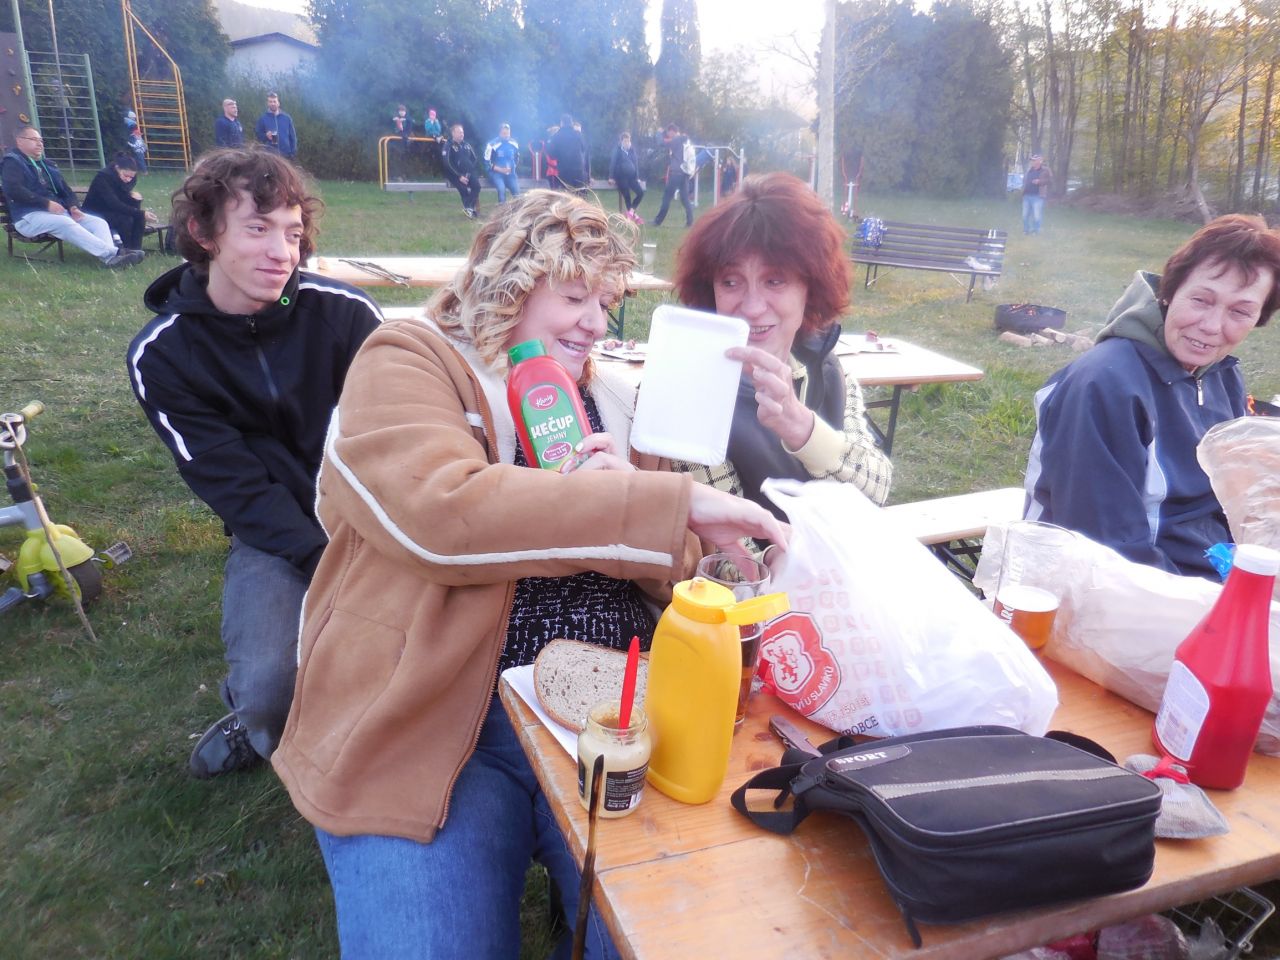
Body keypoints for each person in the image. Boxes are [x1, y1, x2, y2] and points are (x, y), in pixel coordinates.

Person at [270, 188, 785, 958]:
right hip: (441, 719)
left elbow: (673, 564)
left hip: (617, 711)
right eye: (574, 297)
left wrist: (656, 514)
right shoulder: (409, 360)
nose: (595, 323)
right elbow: (441, 516)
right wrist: (634, 507)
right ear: (506, 286)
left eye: (605, 302)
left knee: (674, 938)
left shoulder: (613, 397)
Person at [126, 148, 382, 779]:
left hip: (378, 518)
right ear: (203, 232)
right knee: (270, 689)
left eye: (292, 233)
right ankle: (254, 720)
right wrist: (322, 561)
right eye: (258, 228)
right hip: (273, 534)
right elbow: (234, 485)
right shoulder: (163, 356)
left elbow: (400, 430)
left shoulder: (346, 314)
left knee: (415, 656)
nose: (281, 252)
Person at [1025, 215, 1280, 580]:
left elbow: (1232, 505)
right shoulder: (1104, 385)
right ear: (1169, 291)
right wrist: (1209, 598)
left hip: (1203, 571)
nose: (1211, 326)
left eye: (1240, 311)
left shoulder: (1221, 375)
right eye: (1201, 300)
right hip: (1112, 586)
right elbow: (1104, 550)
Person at [673, 172, 894, 518]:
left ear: (811, 288)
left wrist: (802, 428)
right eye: (730, 282)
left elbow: (877, 489)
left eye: (774, 280)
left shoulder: (827, 371)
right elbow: (729, 543)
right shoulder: (688, 393)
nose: (752, 307)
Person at [1, 125, 141, 268]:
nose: (39, 143)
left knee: (98, 222)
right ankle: (114, 254)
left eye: (41, 140)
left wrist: (73, 206)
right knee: (64, 223)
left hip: (57, 214)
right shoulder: (13, 162)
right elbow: (14, 189)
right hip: (28, 217)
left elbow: (66, 190)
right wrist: (46, 203)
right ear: (20, 141)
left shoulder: (47, 165)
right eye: (33, 139)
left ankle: (111, 259)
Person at [82, 152, 153, 255]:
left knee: (139, 218)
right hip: (95, 212)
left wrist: (135, 201)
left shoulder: (129, 179)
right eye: (126, 176)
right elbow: (114, 203)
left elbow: (123, 197)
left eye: (131, 177)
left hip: (113, 210)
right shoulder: (103, 178)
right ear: (117, 168)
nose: (128, 180)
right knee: (125, 219)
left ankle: (136, 250)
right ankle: (126, 251)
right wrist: (140, 212)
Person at [652, 123, 694, 228]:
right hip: (684, 173)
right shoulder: (684, 140)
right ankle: (690, 222)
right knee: (685, 199)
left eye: (668, 132)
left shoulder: (676, 140)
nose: (668, 134)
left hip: (676, 174)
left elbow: (661, 143)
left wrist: (659, 133)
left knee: (666, 197)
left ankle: (657, 221)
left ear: (672, 131)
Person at [441, 122, 482, 219]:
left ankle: (469, 209)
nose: (462, 134)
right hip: (454, 174)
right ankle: (469, 210)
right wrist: (459, 176)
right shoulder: (448, 145)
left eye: (462, 132)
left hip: (467, 173)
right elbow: (447, 163)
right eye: (459, 132)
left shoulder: (466, 145)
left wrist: (468, 172)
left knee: (477, 186)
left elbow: (474, 159)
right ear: (453, 133)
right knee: (464, 190)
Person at [609, 131, 645, 224]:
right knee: (627, 196)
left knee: (640, 193)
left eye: (628, 141)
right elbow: (613, 163)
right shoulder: (617, 150)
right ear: (621, 141)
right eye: (625, 141)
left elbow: (636, 164)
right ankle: (635, 217)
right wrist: (611, 177)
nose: (627, 143)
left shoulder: (632, 151)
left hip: (632, 177)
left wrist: (637, 177)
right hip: (621, 177)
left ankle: (631, 212)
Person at [547, 113, 588, 191]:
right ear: (571, 123)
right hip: (578, 171)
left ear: (561, 123)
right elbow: (584, 148)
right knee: (580, 195)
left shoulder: (556, 136)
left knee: (567, 194)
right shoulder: (578, 134)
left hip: (564, 171)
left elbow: (551, 154)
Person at [483, 122, 521, 202]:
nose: (506, 135)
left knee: (517, 194)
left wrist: (513, 167)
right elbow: (486, 163)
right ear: (499, 133)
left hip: (510, 174)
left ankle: (517, 209)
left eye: (508, 133)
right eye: (504, 133)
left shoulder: (514, 143)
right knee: (501, 189)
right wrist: (500, 169)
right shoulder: (491, 145)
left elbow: (517, 157)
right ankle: (502, 208)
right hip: (496, 174)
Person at [255, 92, 298, 159]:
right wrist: (266, 136)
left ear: (278, 103)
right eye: (270, 101)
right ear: (267, 103)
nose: (272, 104)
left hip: (286, 156)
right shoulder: (262, 119)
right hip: (270, 157)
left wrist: (293, 153)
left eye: (274, 101)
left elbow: (293, 137)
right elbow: (258, 136)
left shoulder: (287, 118)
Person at [1022, 154, 1051, 235]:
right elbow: (1025, 180)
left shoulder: (1045, 170)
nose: (1032, 162)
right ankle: (1026, 230)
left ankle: (1035, 231)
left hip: (1038, 196)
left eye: (1034, 160)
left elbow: (1050, 181)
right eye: (1032, 160)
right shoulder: (1029, 170)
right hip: (1027, 195)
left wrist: (1040, 181)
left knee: (1036, 215)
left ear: (1039, 161)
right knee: (1025, 215)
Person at [390, 104, 413, 181]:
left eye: (403, 111)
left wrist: (404, 134)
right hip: (396, 142)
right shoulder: (395, 118)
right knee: (395, 159)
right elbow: (394, 130)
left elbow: (409, 130)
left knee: (404, 159)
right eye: (400, 111)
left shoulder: (408, 119)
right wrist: (396, 121)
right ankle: (395, 176)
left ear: (405, 111)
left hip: (404, 143)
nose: (401, 112)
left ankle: (404, 176)